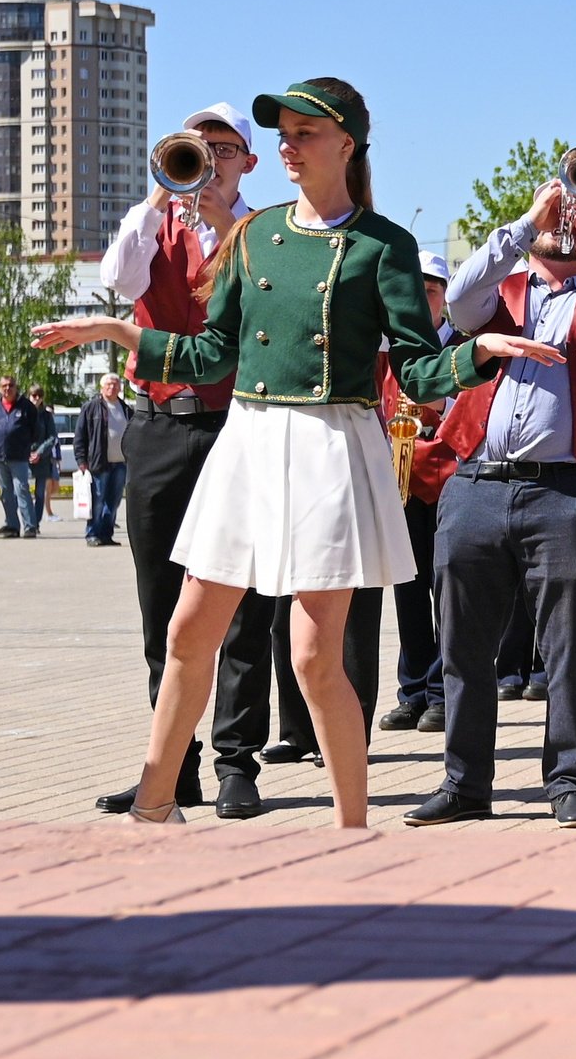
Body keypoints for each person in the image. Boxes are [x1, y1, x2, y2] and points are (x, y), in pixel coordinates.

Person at [34, 77, 532, 828]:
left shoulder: (384, 246)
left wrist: (479, 354)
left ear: (347, 144)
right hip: (251, 439)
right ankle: (155, 803)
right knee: (187, 631)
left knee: (310, 656)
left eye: (303, 132)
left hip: (333, 446)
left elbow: (418, 369)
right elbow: (210, 353)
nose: (288, 145)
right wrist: (119, 335)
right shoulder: (255, 234)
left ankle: (351, 826)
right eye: (283, 133)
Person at [408, 140, 576, 832]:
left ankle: (569, 779)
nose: (563, 218)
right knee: (461, 642)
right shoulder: (504, 289)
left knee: (570, 642)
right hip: (475, 482)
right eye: (559, 211)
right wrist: (524, 222)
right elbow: (458, 304)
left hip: (564, 488)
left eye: (572, 212)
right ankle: (465, 781)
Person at [89, 101, 285, 820]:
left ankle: (238, 762)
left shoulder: (265, 232)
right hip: (159, 426)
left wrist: (228, 225)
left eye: (223, 148)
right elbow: (119, 278)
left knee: (242, 609)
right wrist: (156, 197)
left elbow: (277, 295)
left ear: (248, 161)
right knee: (159, 605)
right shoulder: (156, 226)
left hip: (239, 424)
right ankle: (172, 765)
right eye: (197, 146)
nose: (209, 157)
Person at [378, 251, 459, 734]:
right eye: (414, 289)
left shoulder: (464, 346)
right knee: (408, 591)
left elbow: (475, 410)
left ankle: (442, 691)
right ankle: (412, 690)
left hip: (449, 481)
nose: (422, 297)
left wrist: (441, 401)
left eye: (431, 289)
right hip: (401, 482)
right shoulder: (389, 353)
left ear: (446, 298)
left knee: (448, 592)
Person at [0, 376, 43, 538]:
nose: (7, 388)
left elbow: (36, 431)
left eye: (10, 385)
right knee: (6, 492)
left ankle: (30, 526)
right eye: (4, 386)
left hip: (19, 457)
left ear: (16, 387)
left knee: (22, 490)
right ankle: (12, 525)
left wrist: (25, 446)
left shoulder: (26, 407)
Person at [76, 372, 129, 546]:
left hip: (121, 464)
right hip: (99, 463)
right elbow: (80, 435)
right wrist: (81, 460)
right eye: (109, 384)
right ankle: (92, 534)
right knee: (97, 501)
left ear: (120, 388)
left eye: (115, 384)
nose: (112, 387)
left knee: (113, 502)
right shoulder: (91, 408)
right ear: (102, 387)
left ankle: (106, 535)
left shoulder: (126, 409)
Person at [25, 381, 59, 527]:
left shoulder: (46, 416)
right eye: (34, 395)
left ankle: (35, 522)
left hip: (43, 458)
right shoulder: (23, 413)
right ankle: (27, 521)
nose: (37, 399)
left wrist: (39, 453)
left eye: (39, 396)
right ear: (29, 396)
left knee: (40, 493)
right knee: (21, 491)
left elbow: (52, 437)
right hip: (24, 457)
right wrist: (27, 452)